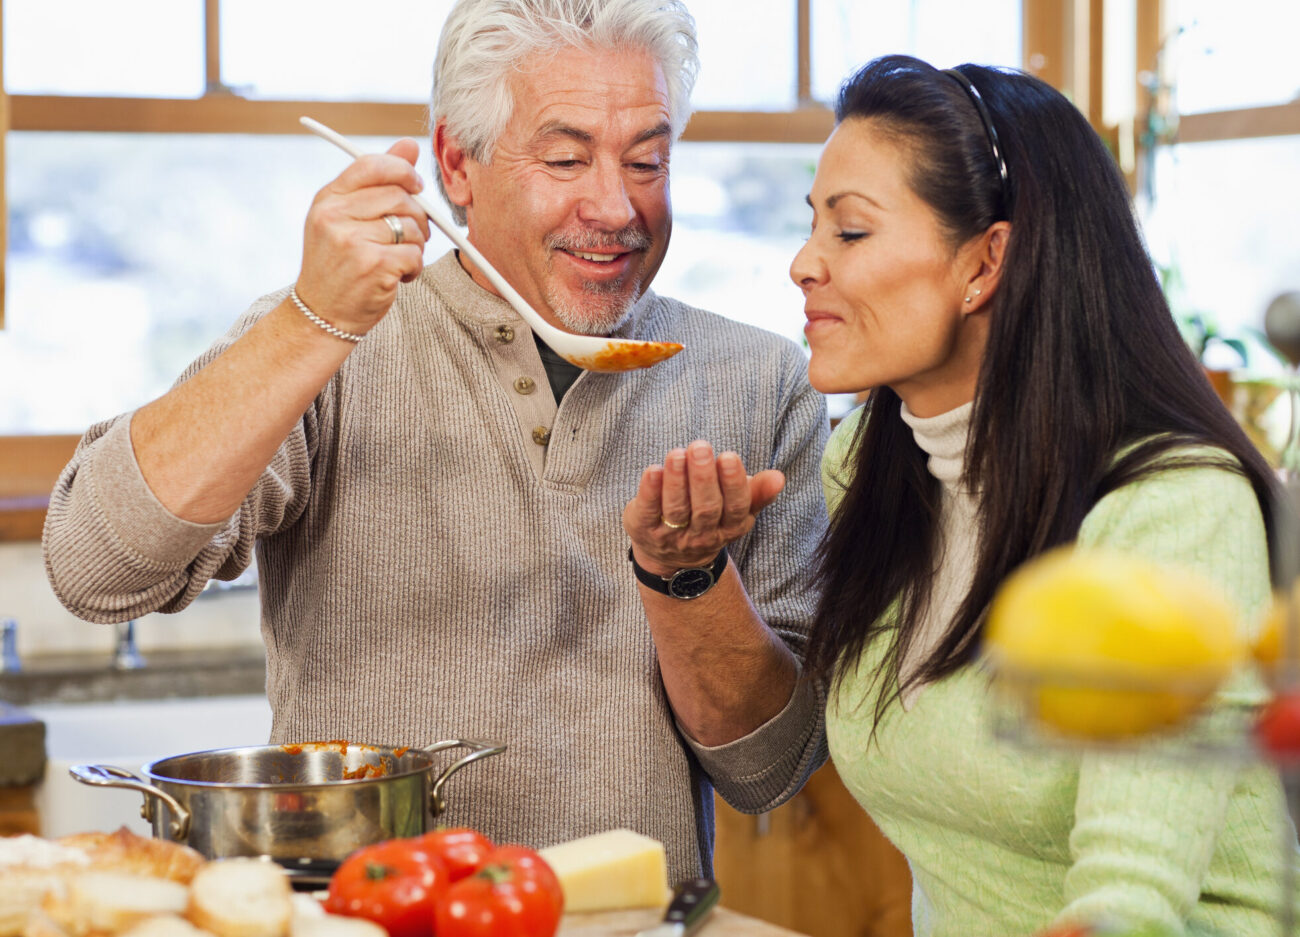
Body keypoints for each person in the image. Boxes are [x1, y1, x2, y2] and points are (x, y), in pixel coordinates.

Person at [41, 0, 830, 881]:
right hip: (366, 920)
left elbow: (770, 771)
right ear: (456, 163)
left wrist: (689, 579)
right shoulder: (329, 337)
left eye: (647, 160)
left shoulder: (761, 380)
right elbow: (95, 568)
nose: (616, 206)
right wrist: (310, 320)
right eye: (566, 158)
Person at [631, 53, 1297, 935]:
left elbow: (1129, 905)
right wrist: (689, 569)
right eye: (812, 225)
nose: (803, 264)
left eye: (851, 231)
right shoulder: (870, 464)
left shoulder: (1173, 506)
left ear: (987, 261)